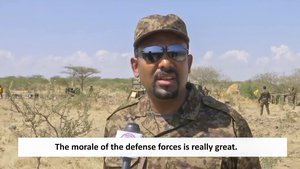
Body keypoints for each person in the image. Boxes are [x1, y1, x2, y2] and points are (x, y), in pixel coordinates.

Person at [103, 14, 261, 169]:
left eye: (176, 53)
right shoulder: (119, 123)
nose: (165, 63)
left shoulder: (230, 126)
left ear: (189, 63)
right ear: (136, 67)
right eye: (152, 54)